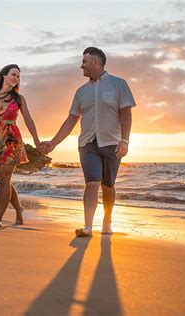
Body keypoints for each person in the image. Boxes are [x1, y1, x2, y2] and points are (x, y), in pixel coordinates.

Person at [41, 47, 135, 237]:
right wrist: (53, 142)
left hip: (112, 143)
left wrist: (125, 140)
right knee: (92, 182)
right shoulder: (81, 92)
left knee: (108, 185)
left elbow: (126, 113)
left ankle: (107, 221)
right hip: (88, 143)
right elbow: (71, 119)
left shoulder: (119, 84)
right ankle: (88, 227)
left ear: (96, 62)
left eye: (84, 61)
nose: (81, 65)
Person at [0, 64, 41, 227]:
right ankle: (19, 210)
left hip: (12, 139)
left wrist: (36, 140)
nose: (16, 78)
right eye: (14, 74)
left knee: (6, 178)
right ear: (4, 76)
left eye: (18, 76)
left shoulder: (19, 99)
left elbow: (28, 119)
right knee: (2, 180)